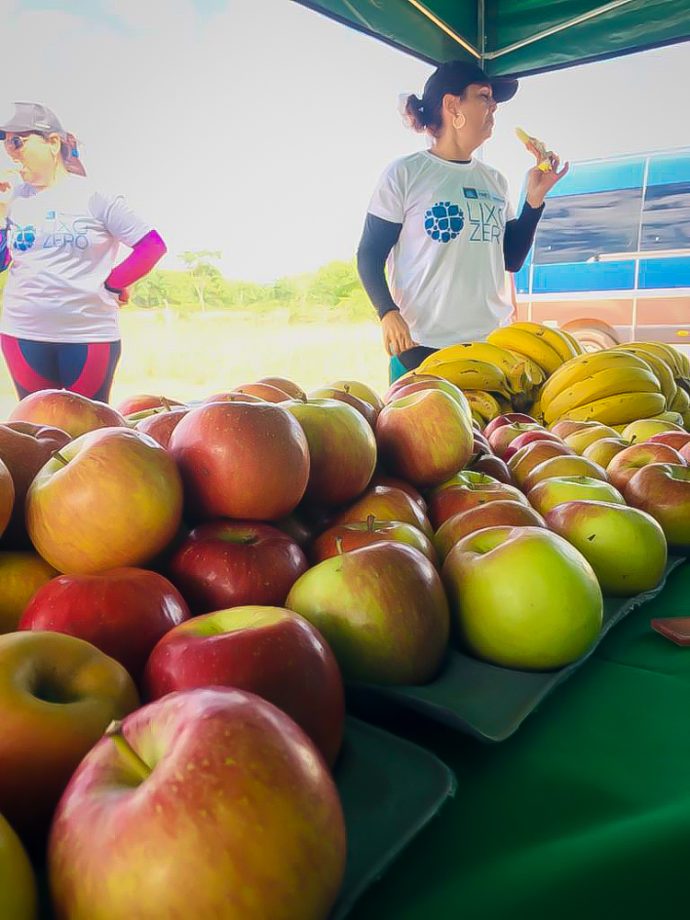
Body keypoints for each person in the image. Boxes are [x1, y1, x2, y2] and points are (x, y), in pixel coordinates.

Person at [356, 60, 569, 383]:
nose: (494, 106)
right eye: (484, 96)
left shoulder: (494, 180)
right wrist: (387, 311)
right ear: (452, 105)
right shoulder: (405, 173)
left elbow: (511, 259)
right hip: (421, 347)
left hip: (491, 346)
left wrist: (533, 200)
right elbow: (369, 254)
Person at [0, 102, 167, 403]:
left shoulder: (94, 195)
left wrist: (113, 283)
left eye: (17, 142)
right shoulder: (12, 199)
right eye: (6, 143)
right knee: (35, 425)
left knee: (91, 426)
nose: (10, 152)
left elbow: (152, 246)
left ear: (53, 143)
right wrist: (0, 215)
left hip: (89, 333)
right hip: (22, 332)